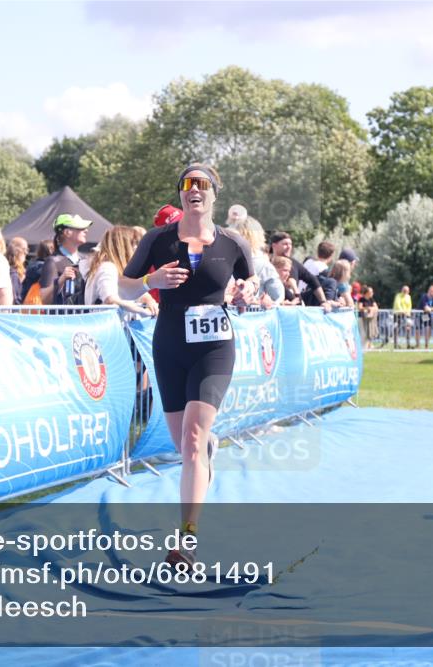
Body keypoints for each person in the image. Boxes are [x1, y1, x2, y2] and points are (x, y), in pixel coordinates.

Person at [123, 163, 255, 570]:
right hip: (169, 345)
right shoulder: (157, 240)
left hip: (214, 347)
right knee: (186, 447)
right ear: (180, 193)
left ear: (214, 193)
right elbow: (123, 286)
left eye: (201, 185)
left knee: (195, 439)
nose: (193, 190)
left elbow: (252, 283)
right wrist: (151, 281)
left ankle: (187, 540)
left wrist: (246, 291)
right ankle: (207, 453)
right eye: (186, 184)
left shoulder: (233, 243)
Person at [83, 225, 158, 316]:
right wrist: (143, 311)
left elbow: (133, 292)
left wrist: (149, 300)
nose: (136, 248)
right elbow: (110, 299)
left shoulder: (115, 268)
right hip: (107, 326)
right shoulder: (107, 267)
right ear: (123, 246)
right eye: (134, 243)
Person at [40, 214, 92, 306]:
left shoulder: (85, 259)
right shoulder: (53, 261)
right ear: (67, 232)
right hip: (62, 319)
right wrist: (61, 280)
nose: (86, 230)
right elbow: (44, 299)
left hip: (82, 318)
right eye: (80, 228)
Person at [269, 231, 330, 309]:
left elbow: (313, 280)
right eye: (285, 244)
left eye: (290, 244)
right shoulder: (267, 264)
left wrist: (324, 302)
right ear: (274, 246)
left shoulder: (294, 264)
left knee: (330, 282)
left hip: (295, 308)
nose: (289, 247)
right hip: (275, 310)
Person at [234, 216, 283, 307]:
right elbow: (278, 296)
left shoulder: (226, 261)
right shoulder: (264, 265)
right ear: (259, 235)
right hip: (257, 316)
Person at [392, 285, 415, 349]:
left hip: (406, 315)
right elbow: (397, 304)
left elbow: (409, 306)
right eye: (404, 290)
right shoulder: (398, 296)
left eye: (406, 290)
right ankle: (395, 344)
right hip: (398, 315)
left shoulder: (408, 297)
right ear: (402, 290)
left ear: (408, 291)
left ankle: (408, 344)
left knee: (408, 329)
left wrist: (408, 313)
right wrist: (402, 311)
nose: (405, 291)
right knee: (396, 329)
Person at [6, 239, 27, 305]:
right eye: (24, 250)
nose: (26, 253)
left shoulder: (8, 270)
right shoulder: (13, 273)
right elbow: (14, 296)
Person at [419, 284, 433, 349]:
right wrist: (432, 309)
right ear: (429, 291)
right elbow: (426, 308)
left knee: (429, 329)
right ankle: (420, 345)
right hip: (422, 314)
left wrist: (431, 309)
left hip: (429, 315)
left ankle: (426, 344)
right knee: (426, 328)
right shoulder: (424, 297)